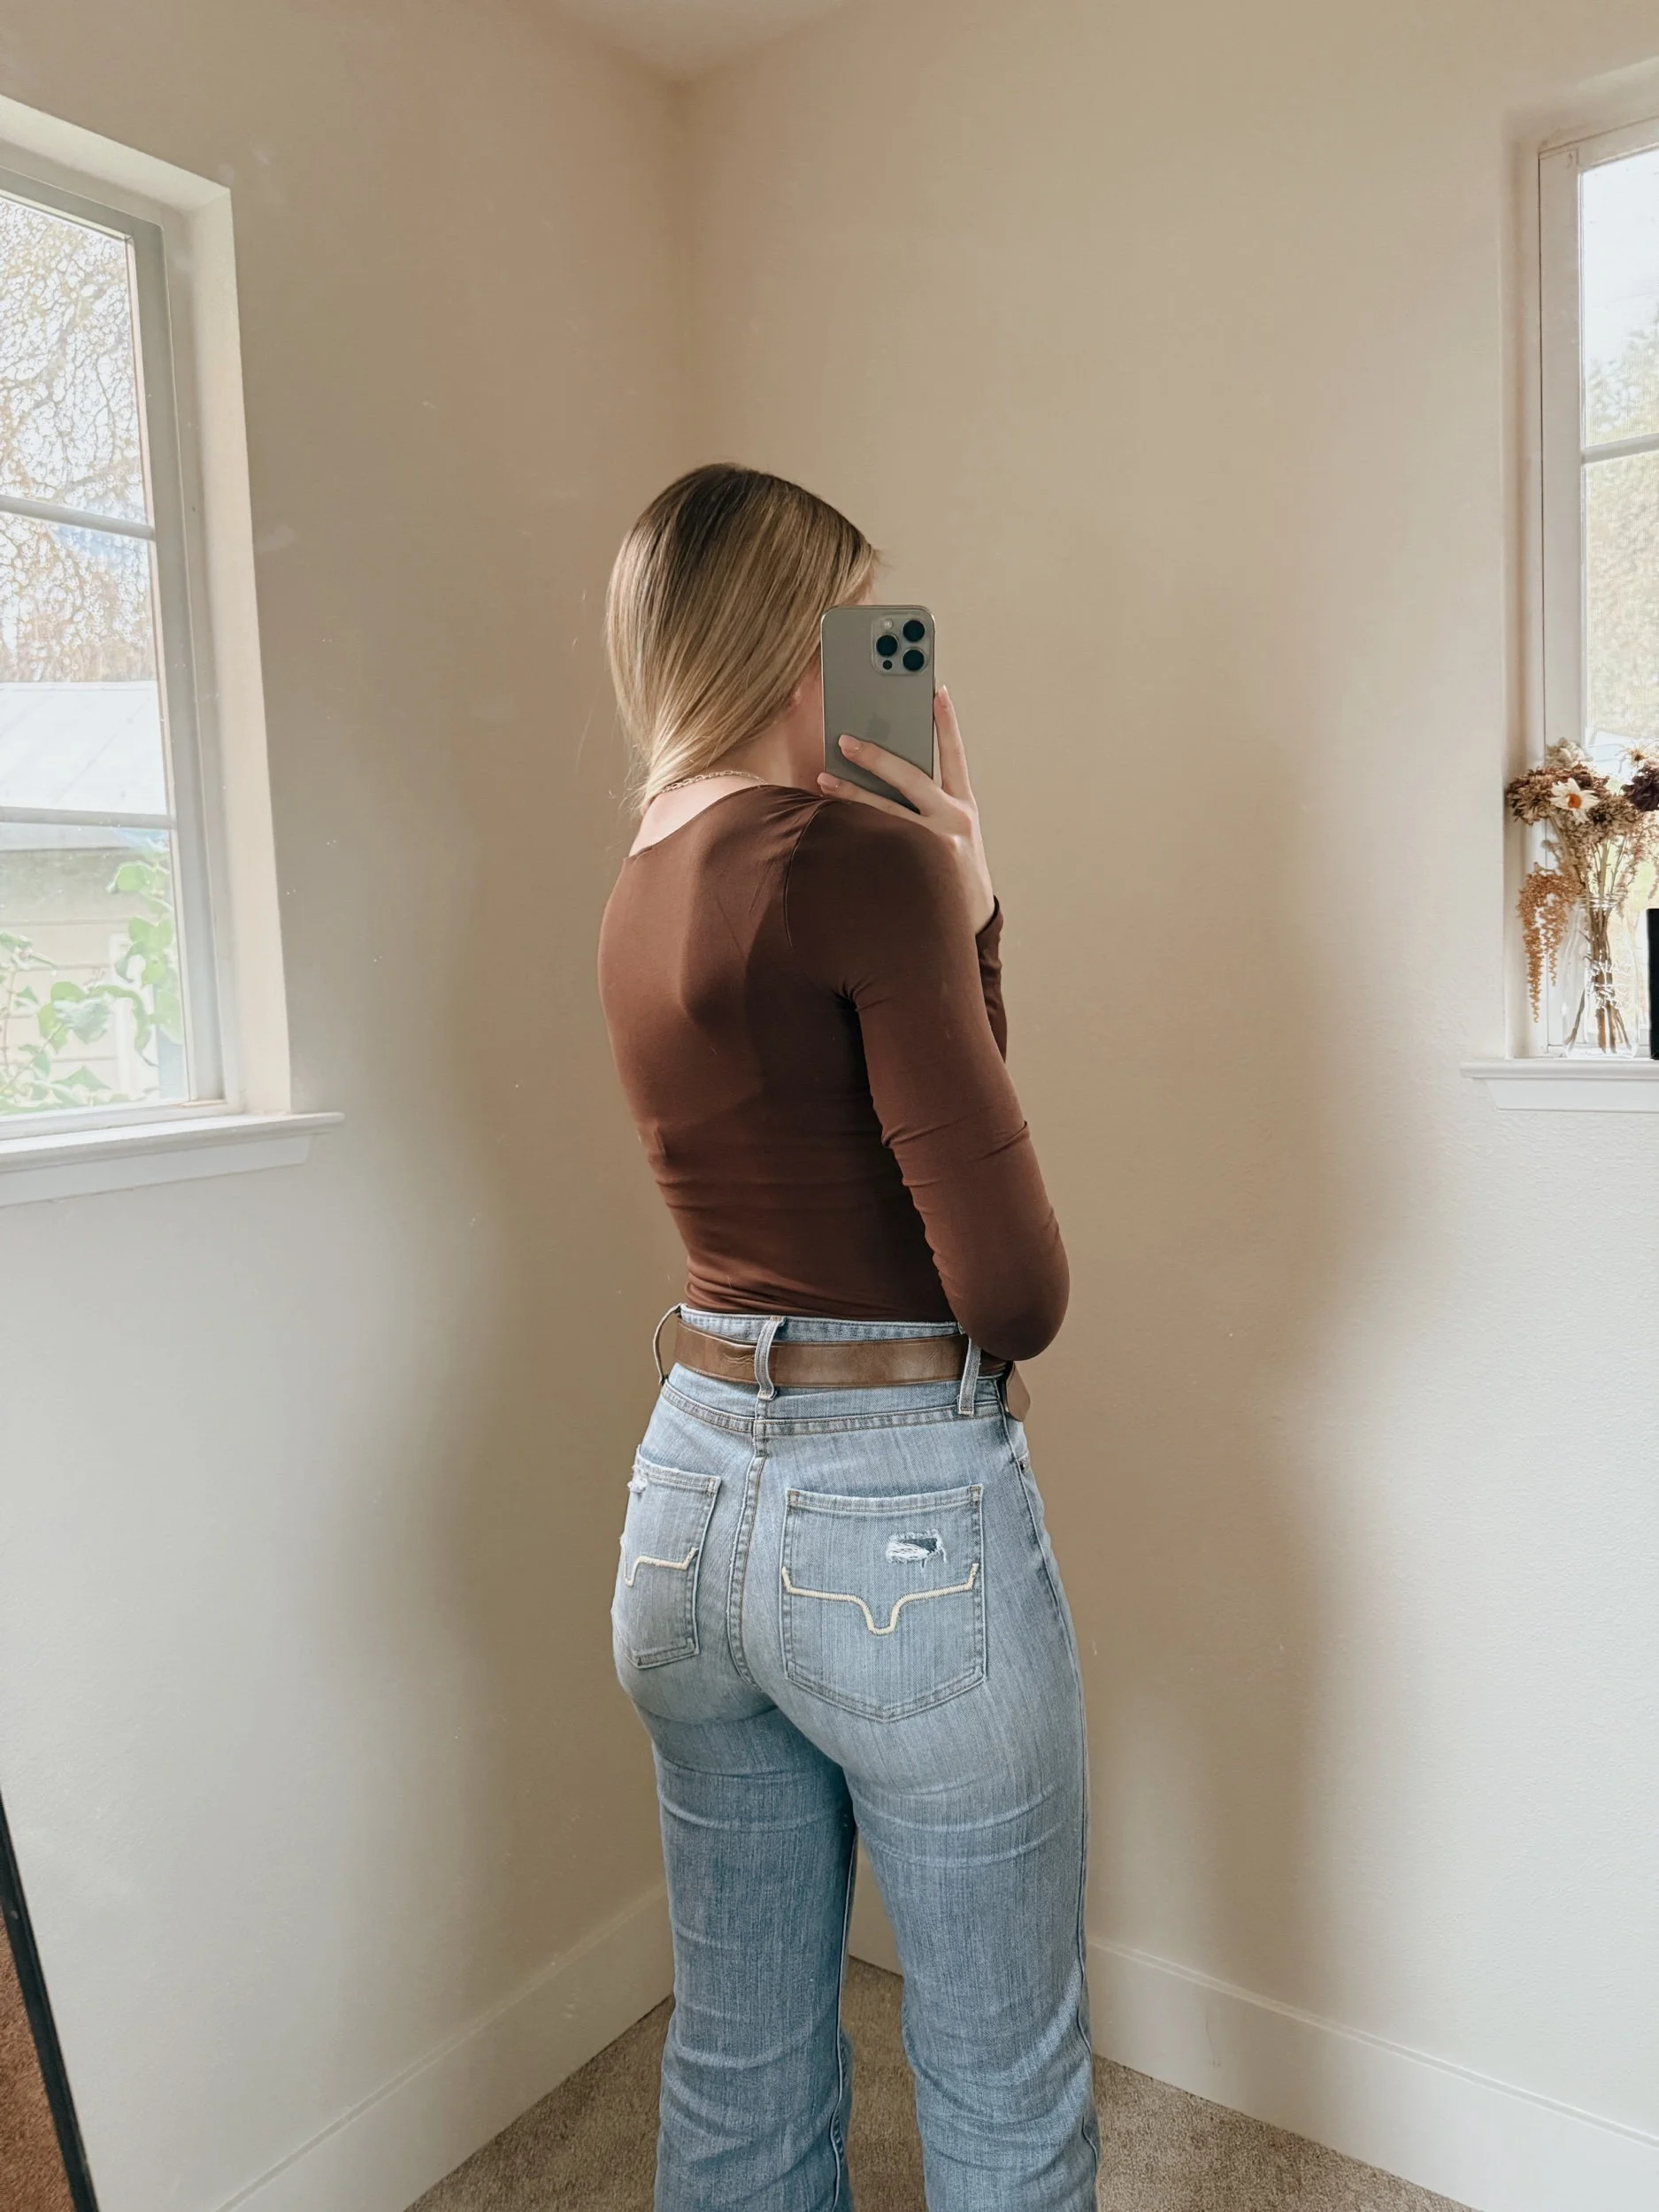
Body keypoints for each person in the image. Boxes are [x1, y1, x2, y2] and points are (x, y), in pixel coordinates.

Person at [596, 463, 1097, 2210]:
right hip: (897, 1516)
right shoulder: (862, 860)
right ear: (783, 642)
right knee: (1001, 2073)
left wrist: (958, 919)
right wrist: (963, 898)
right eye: (850, 622)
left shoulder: (640, 869)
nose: (871, 656)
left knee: (738, 2061)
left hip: (684, 1503)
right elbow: (1014, 1290)